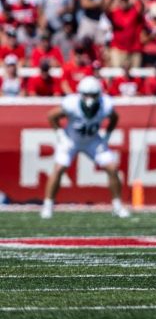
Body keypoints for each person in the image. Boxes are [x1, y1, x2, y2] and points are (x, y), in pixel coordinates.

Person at [42, 77, 129, 220]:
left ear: (99, 94)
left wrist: (106, 135)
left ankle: (117, 206)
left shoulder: (106, 104)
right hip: (71, 140)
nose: (89, 98)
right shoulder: (72, 104)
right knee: (59, 168)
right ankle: (48, 205)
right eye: (86, 94)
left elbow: (114, 118)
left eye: (93, 95)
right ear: (80, 93)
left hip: (93, 141)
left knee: (112, 168)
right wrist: (61, 136)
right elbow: (52, 116)